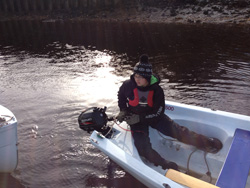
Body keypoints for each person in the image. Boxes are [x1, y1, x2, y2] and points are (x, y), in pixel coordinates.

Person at [116, 54, 222, 170]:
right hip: (136, 120)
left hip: (154, 117)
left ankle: (207, 142)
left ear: (147, 77)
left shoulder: (157, 90)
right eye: (136, 76)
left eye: (141, 77)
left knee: (178, 132)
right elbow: (121, 96)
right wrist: (123, 110)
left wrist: (140, 118)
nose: (137, 79)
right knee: (142, 148)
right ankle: (165, 165)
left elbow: (158, 113)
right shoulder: (127, 85)